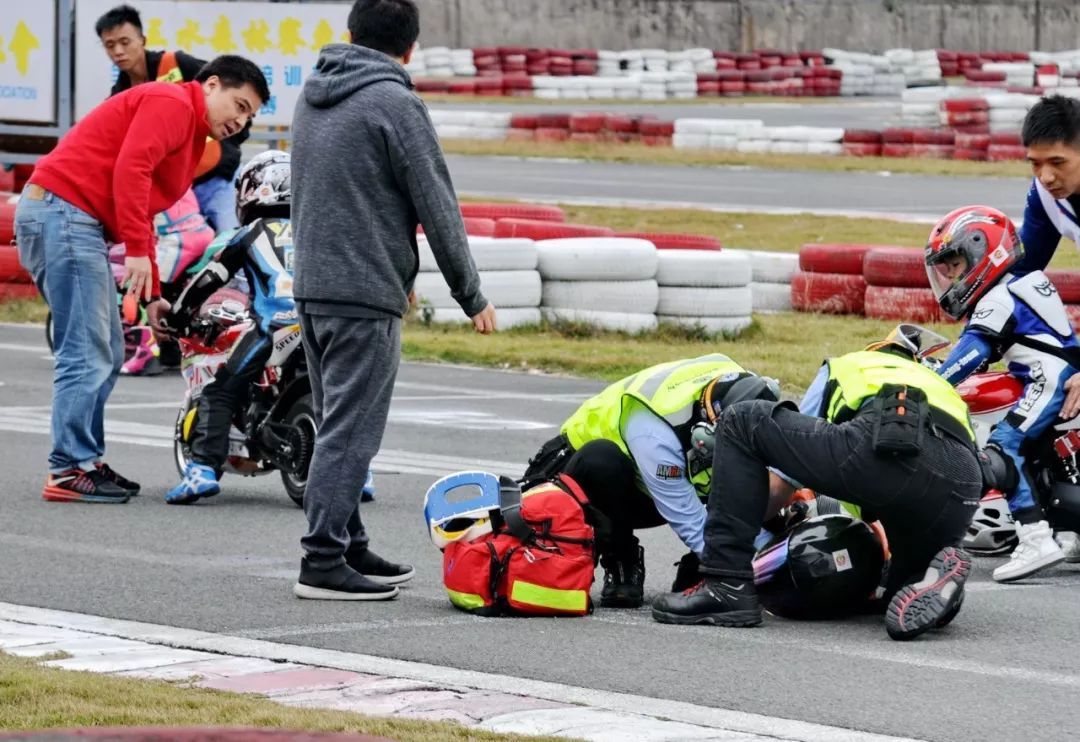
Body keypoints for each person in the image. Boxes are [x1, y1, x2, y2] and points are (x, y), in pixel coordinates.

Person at [289, 0, 496, 601]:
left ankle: (348, 542)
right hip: (362, 291)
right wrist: (471, 293)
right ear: (410, 50)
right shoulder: (395, 102)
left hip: (314, 285)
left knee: (336, 422)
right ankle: (322, 560)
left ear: (350, 35)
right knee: (351, 433)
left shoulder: (313, 93)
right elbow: (436, 202)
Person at [14, 55, 268, 504]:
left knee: (108, 350)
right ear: (211, 85)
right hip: (62, 212)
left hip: (74, 219)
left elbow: (146, 204)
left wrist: (151, 296)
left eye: (250, 115)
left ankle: (85, 461)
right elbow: (131, 169)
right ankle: (68, 467)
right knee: (86, 350)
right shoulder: (172, 102)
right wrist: (134, 251)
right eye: (240, 105)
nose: (241, 121)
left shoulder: (191, 135)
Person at [652, 325, 982, 641]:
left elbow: (784, 482)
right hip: (961, 489)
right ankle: (931, 584)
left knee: (742, 422)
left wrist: (742, 523)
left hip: (887, 453)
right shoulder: (942, 388)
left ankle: (726, 586)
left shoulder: (848, 367)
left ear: (876, 349)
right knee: (901, 587)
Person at [521, 355, 785, 608]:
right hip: (577, 476)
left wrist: (774, 553)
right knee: (601, 462)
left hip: (648, 479)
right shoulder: (655, 433)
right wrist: (743, 572)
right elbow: (688, 517)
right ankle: (622, 557)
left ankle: (698, 567)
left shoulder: (749, 392)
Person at [927, 205, 1080, 580]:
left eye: (956, 265)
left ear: (983, 252)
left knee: (1002, 449)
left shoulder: (999, 298)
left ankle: (1034, 538)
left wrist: (931, 382)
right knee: (1037, 450)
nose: (951, 277)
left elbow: (974, 353)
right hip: (1059, 374)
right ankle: (1068, 530)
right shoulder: (1017, 285)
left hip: (1047, 379)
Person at [96, 4, 248, 233]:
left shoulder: (177, 64)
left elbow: (234, 96)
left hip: (216, 179)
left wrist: (227, 148)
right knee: (187, 250)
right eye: (110, 45)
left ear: (142, 40)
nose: (118, 51)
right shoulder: (119, 97)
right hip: (175, 194)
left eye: (125, 42)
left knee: (230, 240)